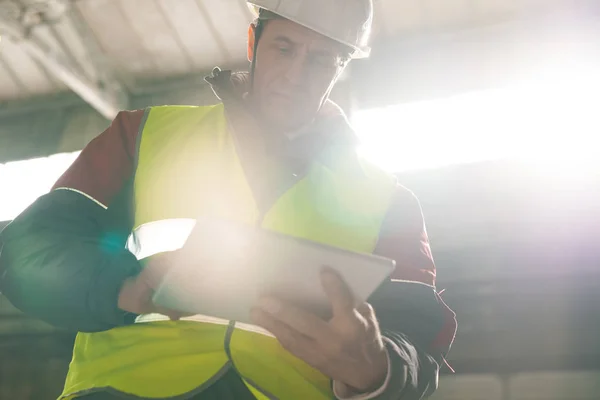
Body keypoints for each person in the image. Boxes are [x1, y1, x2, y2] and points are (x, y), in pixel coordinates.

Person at [0, 0, 456, 399]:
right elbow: (27, 252)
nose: (297, 75)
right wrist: (128, 287)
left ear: (341, 68)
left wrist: (375, 369)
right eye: (284, 48)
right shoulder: (144, 134)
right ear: (253, 42)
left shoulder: (387, 200)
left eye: (321, 60)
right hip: (126, 390)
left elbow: (419, 342)